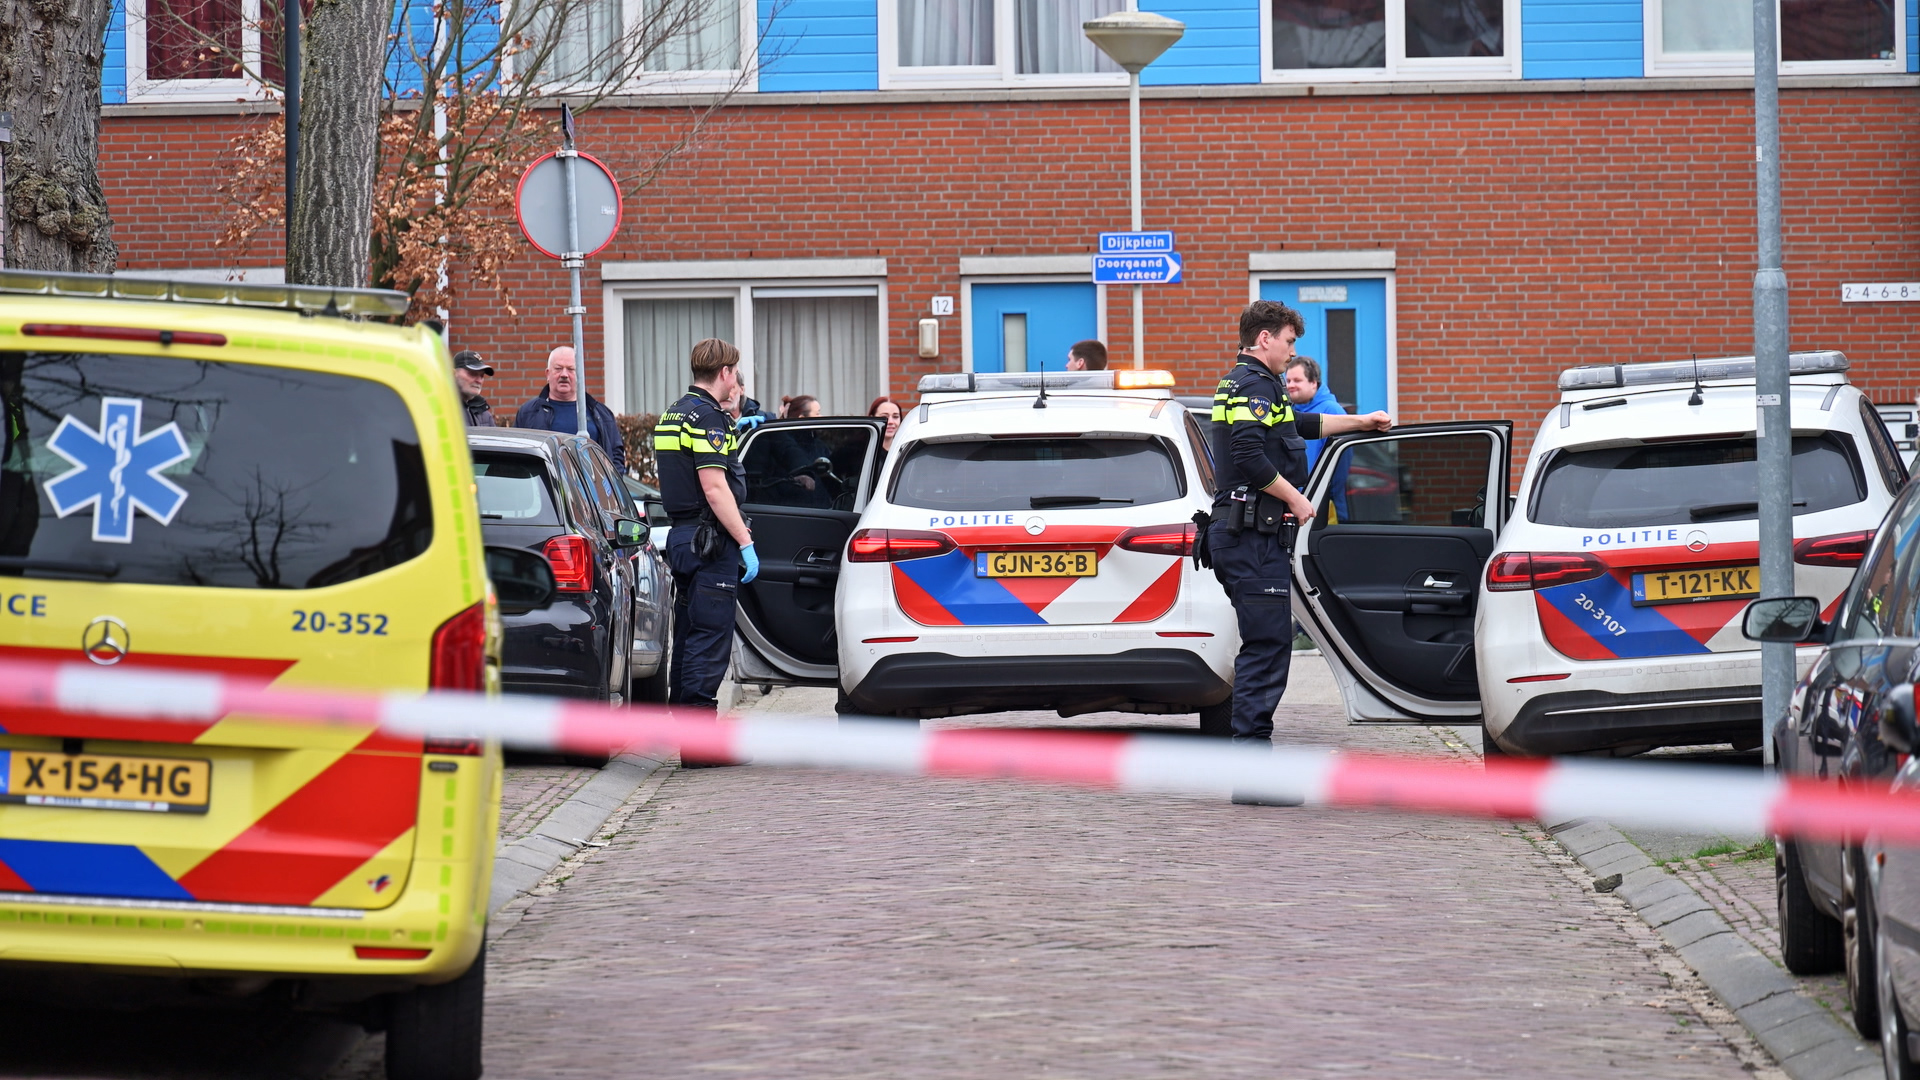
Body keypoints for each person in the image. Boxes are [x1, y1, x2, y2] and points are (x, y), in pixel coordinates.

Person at [1207, 300, 1391, 746]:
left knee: (1267, 643)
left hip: (1245, 534)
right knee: (1267, 646)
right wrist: (1296, 498)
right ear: (1264, 338)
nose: (1292, 353)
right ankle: (1252, 761)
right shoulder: (1255, 385)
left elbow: (1301, 424)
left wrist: (1361, 422)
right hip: (1250, 536)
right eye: (1289, 342)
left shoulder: (1248, 382)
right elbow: (1248, 454)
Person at [651, 338, 757, 711]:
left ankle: (684, 724)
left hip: (683, 537)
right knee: (709, 638)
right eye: (735, 373)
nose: (736, 383)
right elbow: (714, 488)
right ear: (725, 372)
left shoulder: (674, 413)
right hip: (709, 542)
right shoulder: (709, 417)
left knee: (687, 634)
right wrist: (744, 542)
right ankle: (698, 731)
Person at [515, 346, 625, 471]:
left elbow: (616, 457)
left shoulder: (601, 414)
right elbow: (517, 456)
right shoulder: (529, 412)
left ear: (580, 374)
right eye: (558, 369)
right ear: (548, 374)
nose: (564, 375)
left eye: (571, 369)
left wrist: (606, 483)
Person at [1284, 356, 1350, 523]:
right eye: (1288, 380)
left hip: (1322, 507)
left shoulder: (1332, 412)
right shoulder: (1288, 412)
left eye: (1297, 380)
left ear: (1314, 383)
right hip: (1295, 505)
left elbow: (1340, 469)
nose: (1290, 385)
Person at [452, 350, 496, 427]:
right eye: (472, 373)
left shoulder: (485, 415)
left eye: (482, 376)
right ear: (453, 373)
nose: (479, 381)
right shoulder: (439, 411)